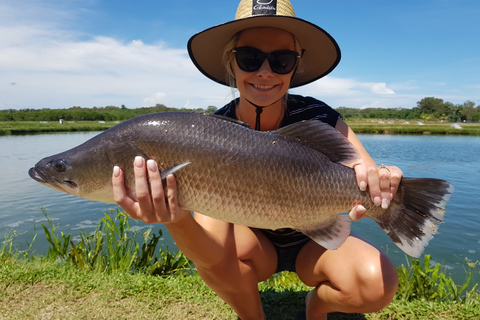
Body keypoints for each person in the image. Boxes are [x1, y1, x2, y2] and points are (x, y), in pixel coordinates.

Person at [112, 1, 402, 319]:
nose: (265, 72)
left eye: (281, 60)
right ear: (231, 62)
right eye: (249, 58)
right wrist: (176, 219)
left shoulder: (320, 117)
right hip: (255, 245)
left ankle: (316, 308)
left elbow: (365, 173)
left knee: (376, 282)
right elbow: (210, 254)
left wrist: (384, 180)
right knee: (218, 263)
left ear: (296, 65)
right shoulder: (209, 133)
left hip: (312, 241)